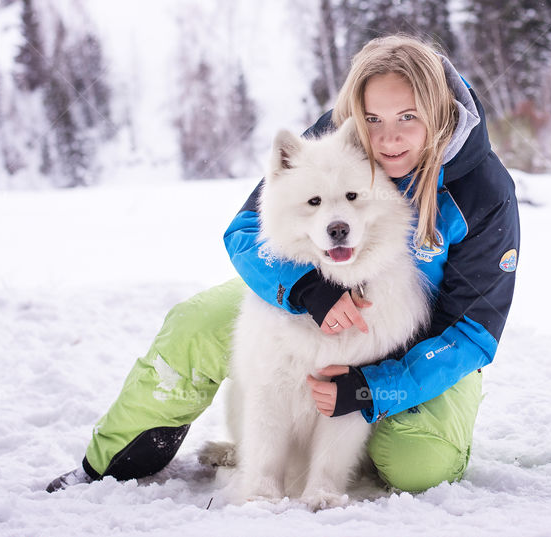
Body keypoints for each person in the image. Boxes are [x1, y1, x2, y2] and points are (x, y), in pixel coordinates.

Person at [46, 35, 520, 495]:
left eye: (408, 117)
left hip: (427, 345)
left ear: (437, 113)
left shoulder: (483, 191)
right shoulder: (332, 141)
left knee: (420, 463)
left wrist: (375, 388)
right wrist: (303, 288)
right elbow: (246, 231)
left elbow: (473, 331)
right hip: (311, 290)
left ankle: (363, 454)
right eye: (372, 118)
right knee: (195, 326)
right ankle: (110, 466)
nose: (388, 138)